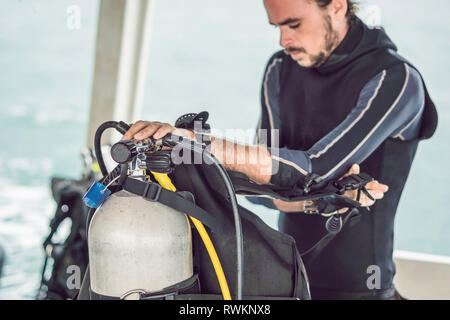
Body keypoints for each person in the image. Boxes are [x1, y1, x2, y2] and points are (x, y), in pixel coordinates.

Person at [123, 0, 437, 300]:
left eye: (294, 24)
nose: (284, 40)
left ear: (337, 6)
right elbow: (263, 186)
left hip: (360, 289)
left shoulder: (395, 80)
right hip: (287, 280)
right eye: (277, 27)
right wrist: (323, 201)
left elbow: (313, 168)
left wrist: (199, 142)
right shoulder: (279, 68)